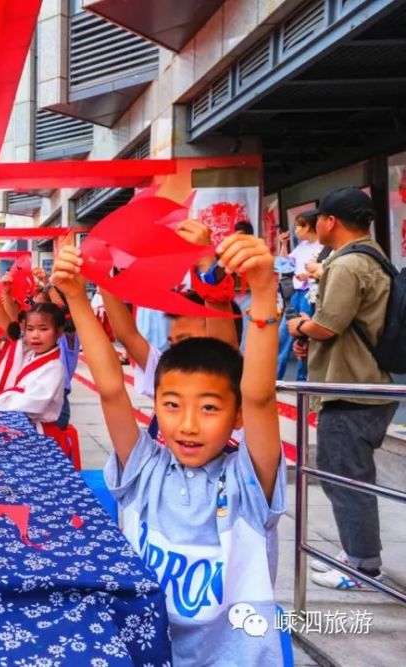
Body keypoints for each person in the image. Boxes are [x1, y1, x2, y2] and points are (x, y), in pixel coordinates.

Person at [54, 234, 286, 667]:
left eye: (209, 408)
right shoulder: (145, 469)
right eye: (173, 405)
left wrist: (262, 292)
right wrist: (76, 297)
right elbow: (110, 389)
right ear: (155, 404)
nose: (188, 424)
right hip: (148, 653)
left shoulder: (247, 483)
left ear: (237, 416)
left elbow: (259, 397)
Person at [286, 187, 396, 590]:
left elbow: (327, 325)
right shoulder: (373, 256)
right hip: (362, 382)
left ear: (330, 221)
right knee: (344, 476)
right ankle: (357, 553)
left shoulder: (348, 265)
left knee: (345, 479)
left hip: (351, 387)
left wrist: (299, 326)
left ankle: (363, 566)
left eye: (318, 219)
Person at [0, 302, 68, 443]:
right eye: (30, 329)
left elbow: (30, 404)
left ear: (59, 331)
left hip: (41, 434)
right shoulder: (31, 354)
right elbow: (12, 333)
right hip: (26, 426)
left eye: (43, 329)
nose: (35, 335)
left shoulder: (54, 367)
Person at [277, 210, 323, 380]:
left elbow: (326, 270)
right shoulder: (302, 246)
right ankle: (275, 379)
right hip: (296, 294)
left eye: (298, 226)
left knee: (304, 340)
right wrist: (283, 245)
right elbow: (284, 265)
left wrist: (309, 275)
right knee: (283, 336)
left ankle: (302, 381)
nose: (295, 230)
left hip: (310, 295)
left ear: (308, 226)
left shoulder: (323, 247)